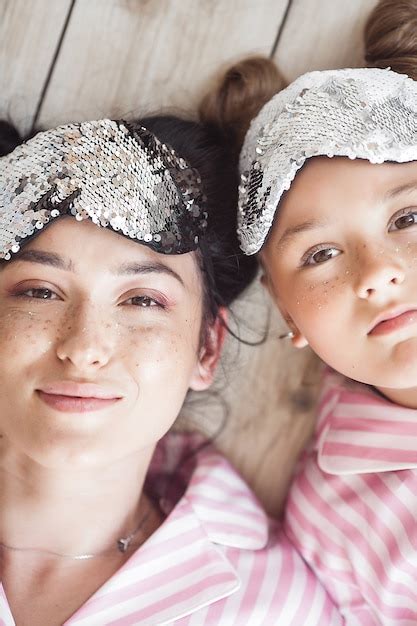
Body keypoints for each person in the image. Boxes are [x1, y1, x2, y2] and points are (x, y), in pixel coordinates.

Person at [0, 113, 343, 625]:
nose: (85, 347)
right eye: (39, 292)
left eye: (142, 300)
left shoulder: (276, 610)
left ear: (207, 348)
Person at [201, 0, 417, 623]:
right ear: (286, 312)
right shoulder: (337, 522)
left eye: (410, 218)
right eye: (320, 253)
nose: (377, 272)